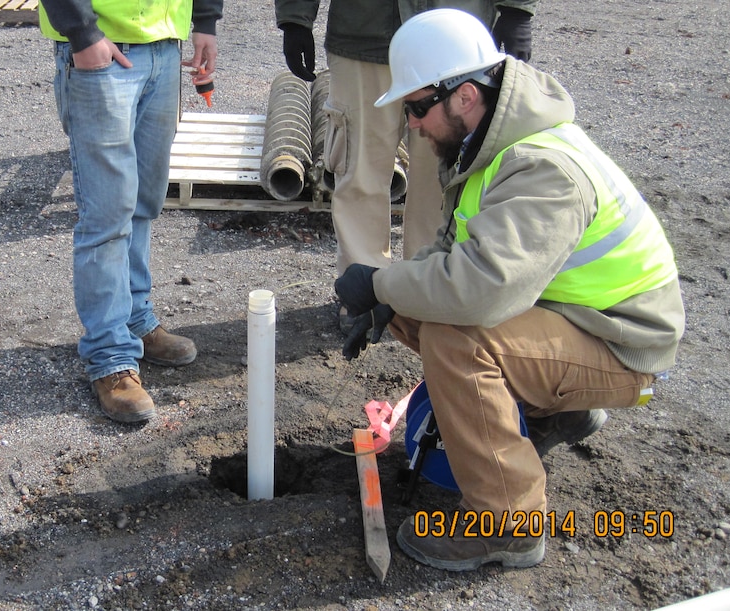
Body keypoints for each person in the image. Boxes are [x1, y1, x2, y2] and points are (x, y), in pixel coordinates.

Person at [334, 8, 685, 571]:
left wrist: (381, 280)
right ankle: (556, 413)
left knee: (459, 341)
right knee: (414, 309)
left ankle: (508, 524)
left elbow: (481, 291)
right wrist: (387, 297)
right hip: (576, 318)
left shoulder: (542, 167)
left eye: (417, 108)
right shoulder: (490, 145)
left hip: (624, 344)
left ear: (465, 96)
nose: (414, 125)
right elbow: (453, 254)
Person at [274, 0, 536, 331]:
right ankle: (364, 288)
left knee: (443, 180)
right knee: (359, 168)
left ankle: (430, 288)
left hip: (454, 36)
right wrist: (296, 16)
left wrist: (516, 10)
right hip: (366, 32)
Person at [38, 0, 222, 423]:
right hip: (101, 43)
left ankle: (135, 318)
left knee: (144, 200)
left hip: (163, 44)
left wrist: (206, 19)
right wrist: (81, 31)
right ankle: (109, 356)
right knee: (107, 213)